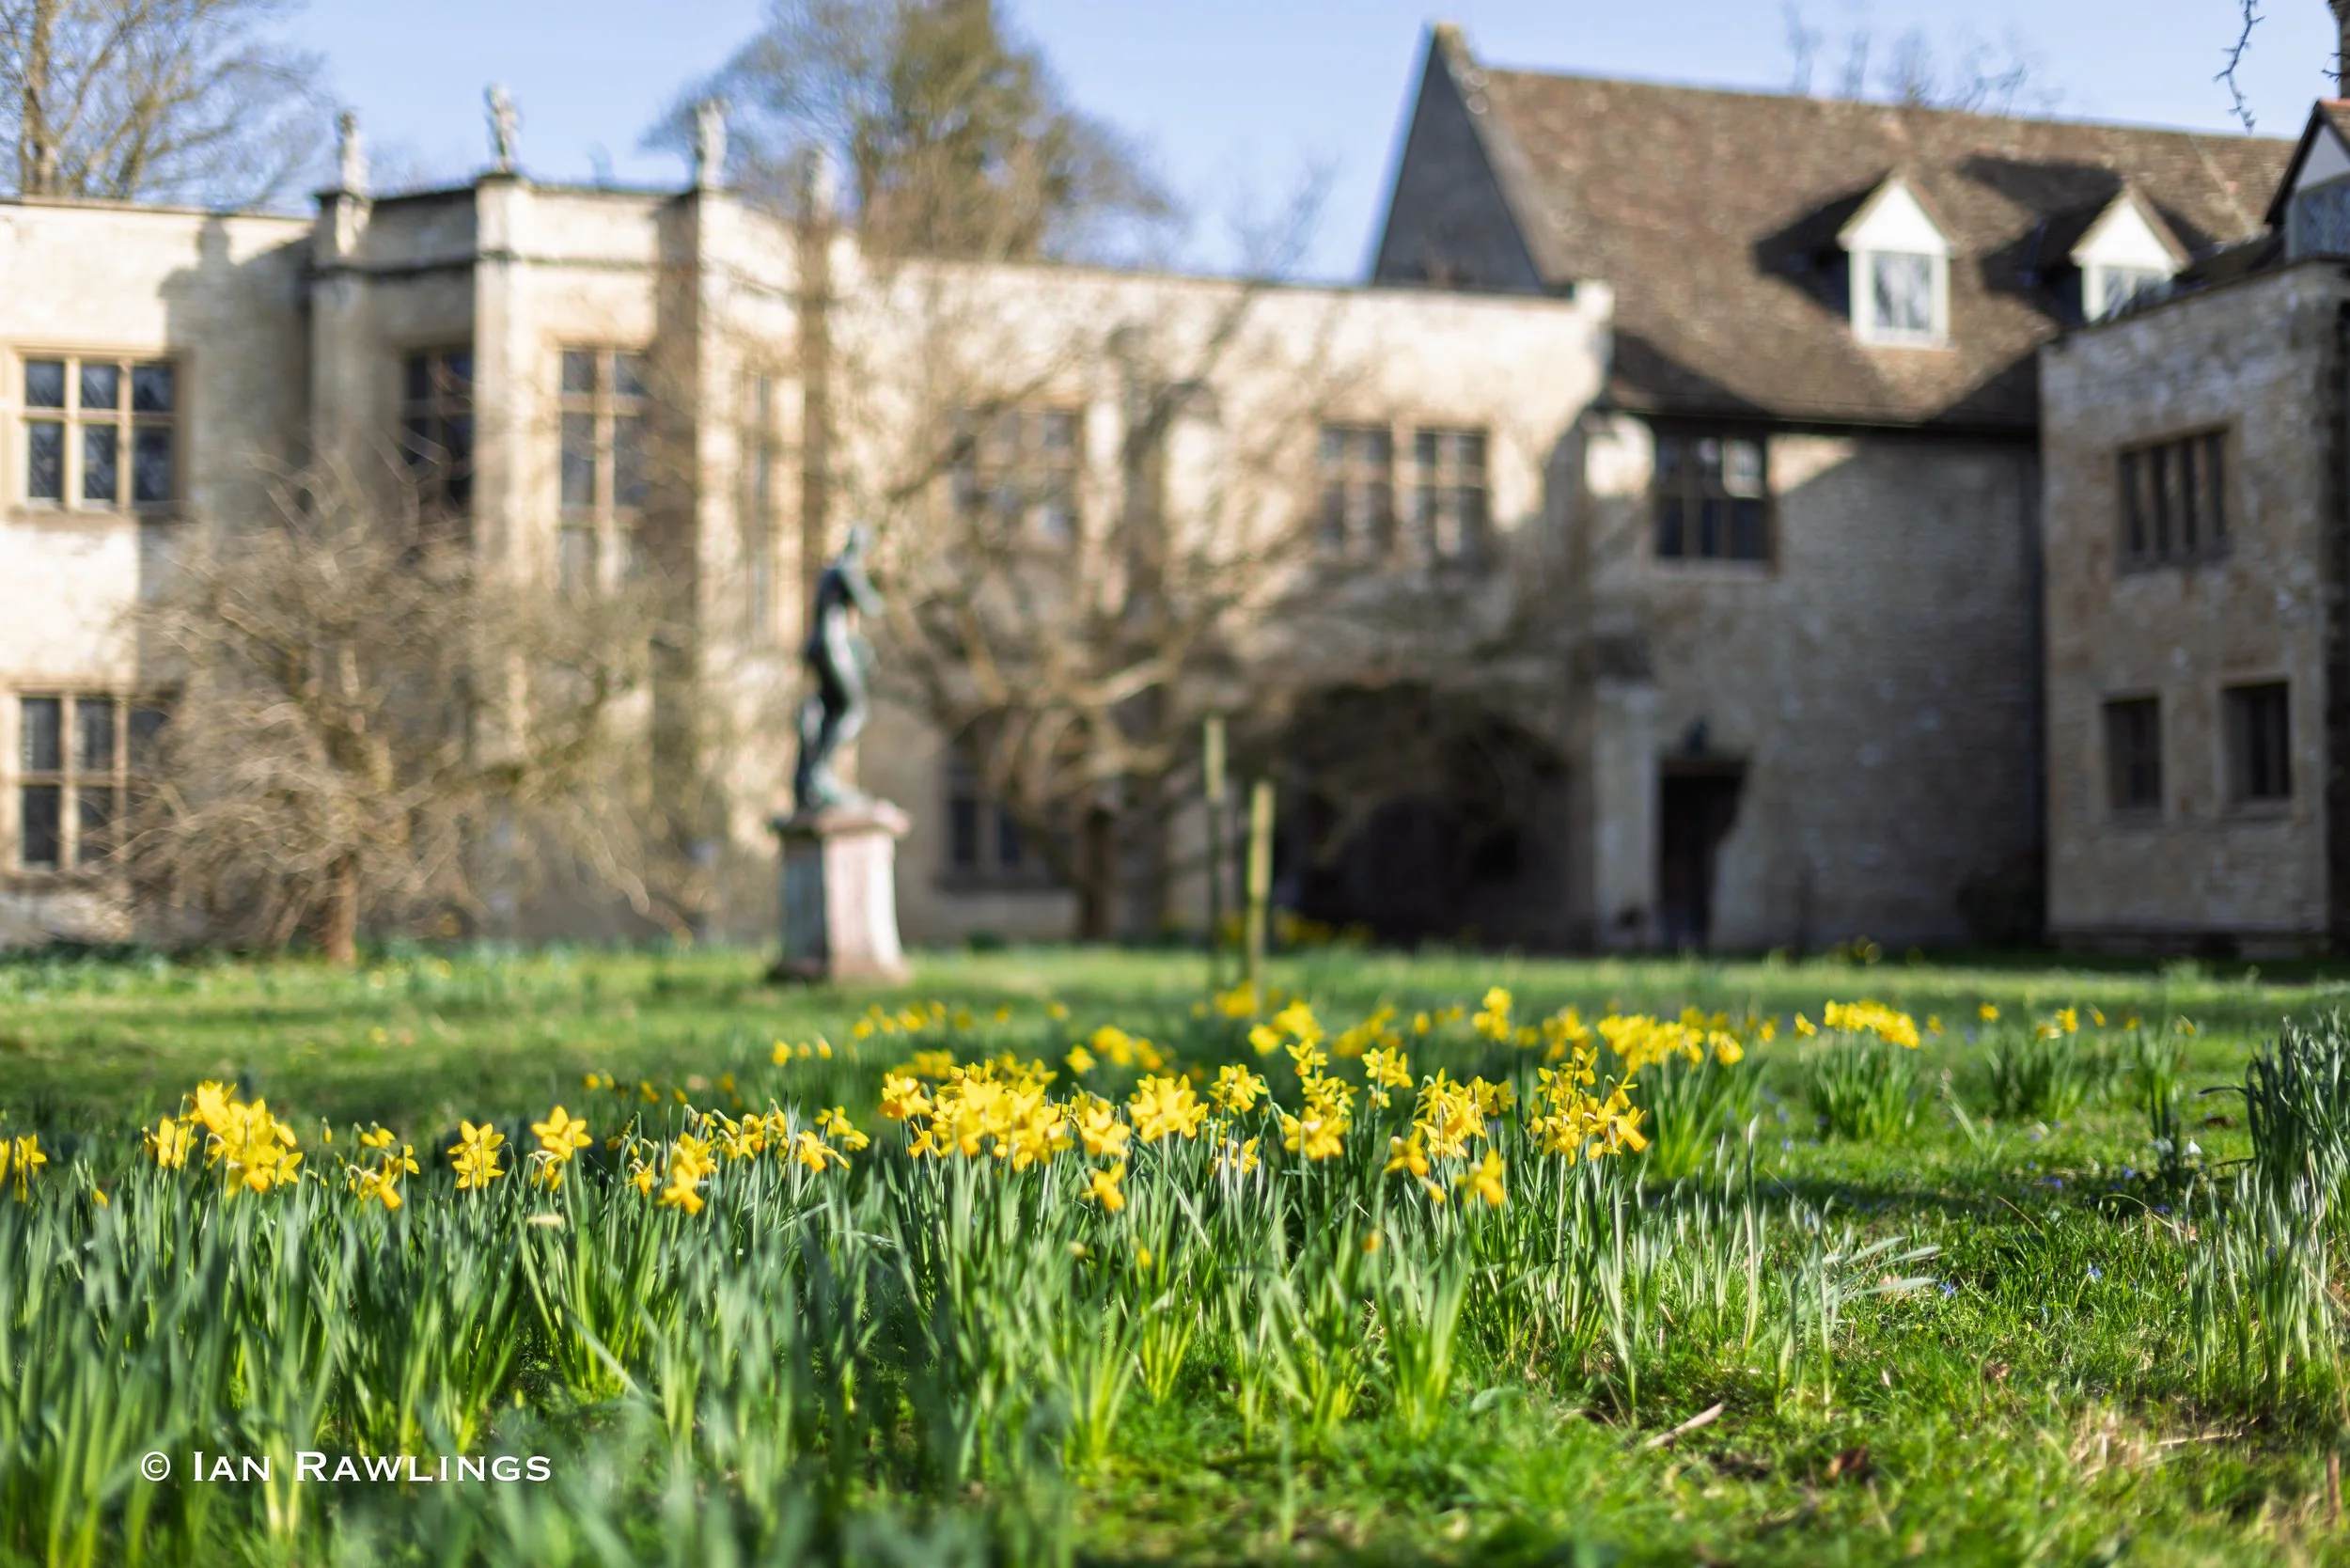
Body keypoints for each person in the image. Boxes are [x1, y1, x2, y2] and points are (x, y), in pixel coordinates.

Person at [792, 525, 883, 811]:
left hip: (820, 646)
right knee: (854, 709)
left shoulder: (830, 571)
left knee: (830, 709)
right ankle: (820, 772)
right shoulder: (847, 568)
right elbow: (870, 605)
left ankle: (811, 771)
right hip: (834, 647)